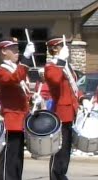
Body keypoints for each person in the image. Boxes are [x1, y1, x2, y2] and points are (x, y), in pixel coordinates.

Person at [0, 37, 35, 180]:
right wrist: (26, 59)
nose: (17, 51)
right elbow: (13, 79)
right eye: (13, 49)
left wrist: (33, 98)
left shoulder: (16, 69)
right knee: (9, 158)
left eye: (17, 49)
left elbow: (21, 89)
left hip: (21, 117)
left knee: (17, 159)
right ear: (4, 51)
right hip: (10, 117)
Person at [44, 37, 80, 180]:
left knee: (66, 148)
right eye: (62, 45)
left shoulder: (65, 65)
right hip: (60, 110)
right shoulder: (51, 66)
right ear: (54, 49)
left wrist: (81, 98)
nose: (67, 48)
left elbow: (72, 87)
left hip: (70, 110)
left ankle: (62, 173)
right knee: (59, 147)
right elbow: (55, 80)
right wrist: (61, 61)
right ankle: (55, 175)